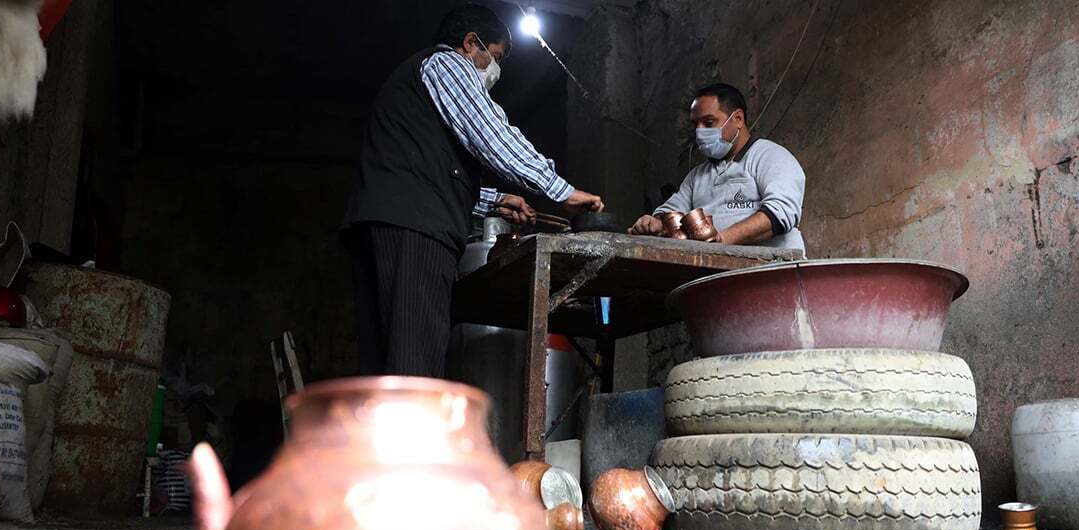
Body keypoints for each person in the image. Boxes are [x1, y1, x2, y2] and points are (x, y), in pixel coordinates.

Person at [342, 4, 604, 378]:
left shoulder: (417, 90)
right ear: (471, 43)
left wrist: (495, 201)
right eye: (494, 57)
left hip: (384, 223)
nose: (494, 70)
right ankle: (414, 438)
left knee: (384, 365)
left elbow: (427, 168)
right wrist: (560, 190)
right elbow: (490, 134)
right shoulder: (447, 64)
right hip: (415, 228)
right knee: (415, 361)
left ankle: (383, 437)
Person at [630, 83, 806, 252]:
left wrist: (723, 239)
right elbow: (672, 211)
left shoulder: (770, 157)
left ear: (738, 119)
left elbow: (781, 212)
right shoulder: (697, 176)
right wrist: (656, 223)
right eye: (695, 124)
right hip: (720, 273)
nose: (699, 132)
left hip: (772, 272)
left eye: (708, 122)